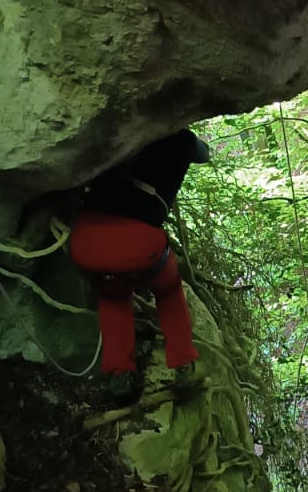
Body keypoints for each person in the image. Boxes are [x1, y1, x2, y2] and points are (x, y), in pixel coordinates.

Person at [69, 128, 210, 400]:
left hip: (86, 240)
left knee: (113, 295)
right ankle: (183, 365)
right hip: (138, 243)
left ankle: (120, 376)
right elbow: (204, 153)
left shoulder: (122, 134)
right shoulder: (181, 140)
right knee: (168, 290)